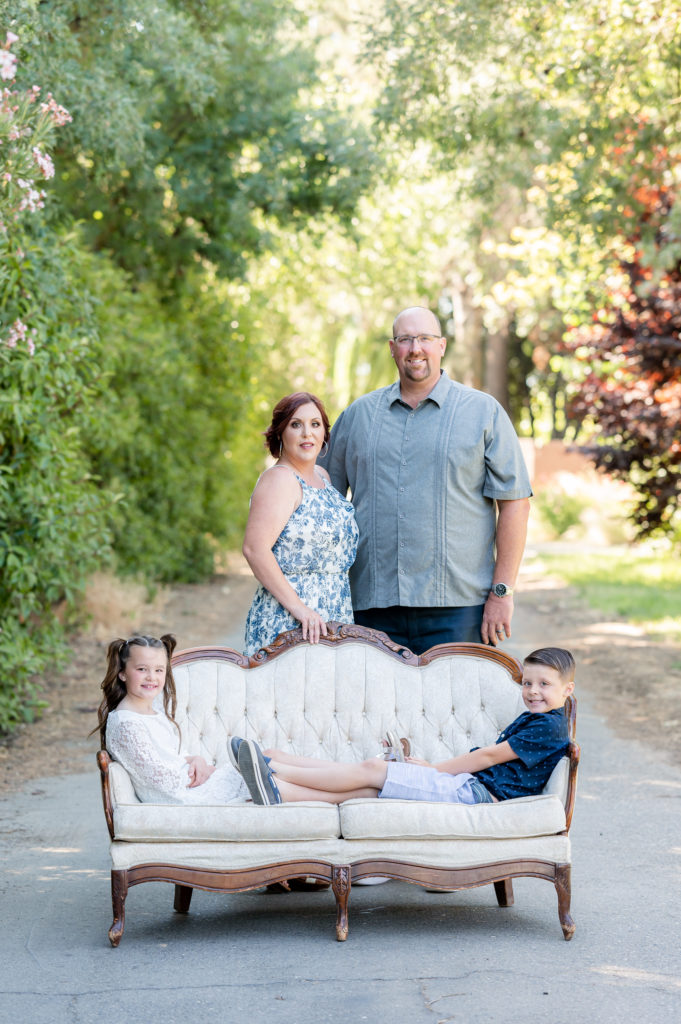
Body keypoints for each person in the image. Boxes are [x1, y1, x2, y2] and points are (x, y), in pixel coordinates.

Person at [318, 306, 532, 654]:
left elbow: (515, 504)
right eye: (405, 339)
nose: (415, 348)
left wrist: (502, 592)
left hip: (460, 608)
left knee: (455, 708)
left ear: (442, 345)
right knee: (377, 708)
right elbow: (322, 502)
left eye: (425, 338)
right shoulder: (358, 416)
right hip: (372, 606)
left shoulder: (484, 412)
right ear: (392, 348)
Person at [230, 647, 575, 806]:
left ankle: (273, 768)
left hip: (477, 794)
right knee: (369, 790)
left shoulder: (549, 727)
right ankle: (280, 788)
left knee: (370, 768)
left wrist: (436, 771)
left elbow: (487, 757)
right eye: (528, 683)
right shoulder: (539, 719)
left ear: (567, 689)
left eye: (544, 684)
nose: (532, 691)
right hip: (473, 787)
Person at [243, 391, 359, 656]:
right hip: (290, 622)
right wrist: (300, 610)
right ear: (281, 433)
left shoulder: (323, 477)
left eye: (315, 424)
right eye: (296, 424)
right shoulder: (280, 480)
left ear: (324, 434)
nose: (307, 433)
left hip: (334, 617)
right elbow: (254, 549)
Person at [95, 634, 248, 805]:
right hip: (185, 798)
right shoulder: (127, 725)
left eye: (159, 670)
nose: (151, 677)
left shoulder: (154, 712)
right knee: (264, 774)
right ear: (122, 673)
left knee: (268, 761)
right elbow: (164, 784)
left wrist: (197, 761)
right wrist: (204, 775)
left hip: (192, 788)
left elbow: (172, 758)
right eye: (142, 669)